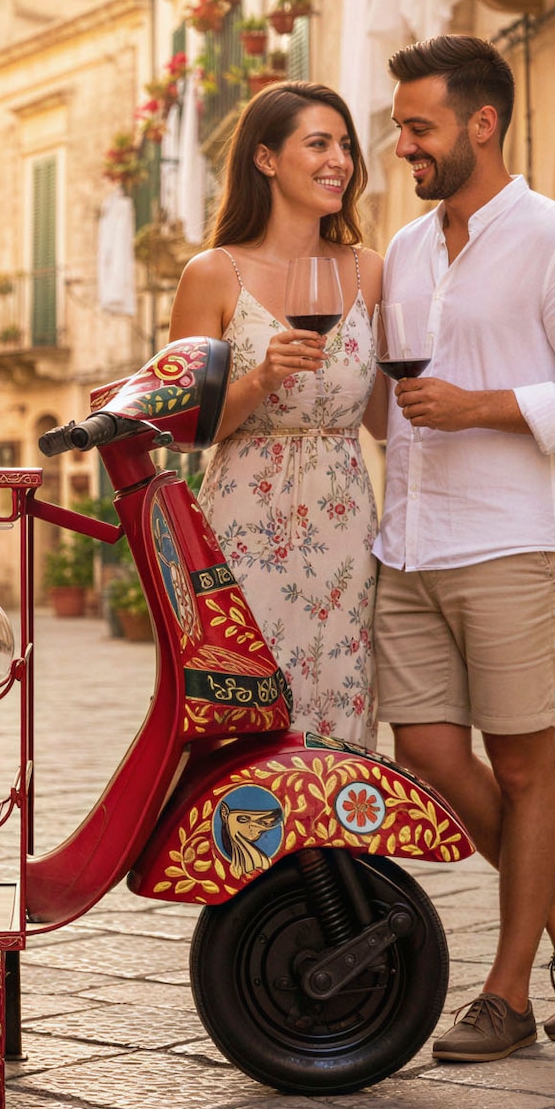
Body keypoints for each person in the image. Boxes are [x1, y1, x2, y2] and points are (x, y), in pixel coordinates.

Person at [373, 36, 555, 1063]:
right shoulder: (406, 249)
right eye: (403, 126)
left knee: (525, 768)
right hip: (412, 542)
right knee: (432, 756)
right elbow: (393, 403)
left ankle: (509, 991)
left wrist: (484, 406)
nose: (403, 145)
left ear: (481, 124)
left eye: (419, 126)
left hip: (514, 542)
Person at [170, 82, 389, 745]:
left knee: (339, 711)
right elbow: (185, 431)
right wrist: (262, 377)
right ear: (265, 159)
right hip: (243, 528)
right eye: (317, 144)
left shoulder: (369, 273)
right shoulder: (213, 275)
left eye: (345, 145)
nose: (339, 161)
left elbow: (384, 420)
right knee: (248, 714)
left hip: (346, 525)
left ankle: (333, 852)